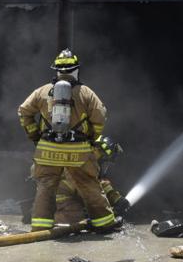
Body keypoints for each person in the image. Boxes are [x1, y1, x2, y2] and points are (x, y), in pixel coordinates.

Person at [17, 49, 119, 232]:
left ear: (56, 70)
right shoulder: (85, 92)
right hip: (78, 151)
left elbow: (24, 112)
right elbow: (100, 117)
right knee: (89, 185)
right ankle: (104, 225)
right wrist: (91, 138)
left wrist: (35, 136)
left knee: (45, 187)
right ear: (76, 70)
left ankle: (41, 227)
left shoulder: (42, 91)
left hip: (47, 149)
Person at [53, 134, 131, 225]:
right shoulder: (82, 164)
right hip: (63, 209)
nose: (104, 166)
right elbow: (94, 191)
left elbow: (99, 184)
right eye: (105, 161)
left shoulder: (86, 162)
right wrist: (110, 217)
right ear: (97, 151)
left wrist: (117, 199)